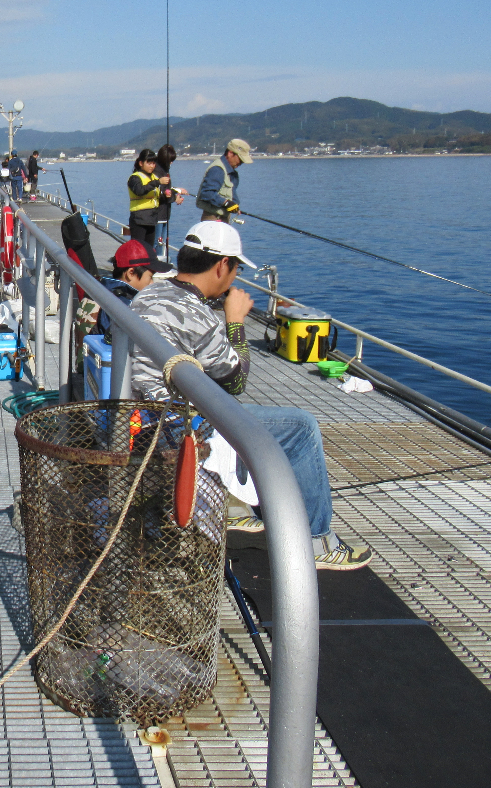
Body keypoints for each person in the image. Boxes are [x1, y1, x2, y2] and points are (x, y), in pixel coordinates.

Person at [129, 221, 372, 571]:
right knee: (301, 428)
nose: (235, 277)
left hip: (142, 416)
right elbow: (236, 379)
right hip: (180, 426)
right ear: (221, 266)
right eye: (236, 268)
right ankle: (317, 541)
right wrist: (235, 320)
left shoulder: (148, 294)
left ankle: (237, 504)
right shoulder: (200, 316)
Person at [197, 138, 252, 222]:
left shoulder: (231, 173)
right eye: (240, 159)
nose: (241, 162)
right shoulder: (217, 169)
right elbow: (207, 193)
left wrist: (235, 206)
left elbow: (232, 194)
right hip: (212, 218)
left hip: (224, 218)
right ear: (230, 153)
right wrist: (226, 203)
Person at [126, 148, 164, 252]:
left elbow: (157, 195)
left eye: (153, 163)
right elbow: (139, 190)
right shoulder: (135, 178)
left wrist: (170, 194)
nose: (152, 166)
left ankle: (146, 267)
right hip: (139, 218)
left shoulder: (153, 177)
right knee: (138, 249)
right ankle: (136, 267)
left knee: (148, 250)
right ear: (141, 163)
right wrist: (157, 182)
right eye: (149, 163)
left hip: (151, 218)